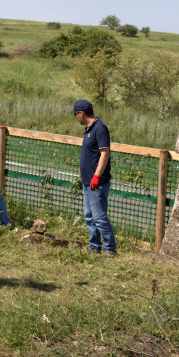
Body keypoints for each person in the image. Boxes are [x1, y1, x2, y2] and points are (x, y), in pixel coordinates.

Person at [71, 99, 117, 257]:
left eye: (76, 114)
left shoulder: (100, 128)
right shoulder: (88, 129)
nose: (76, 118)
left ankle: (110, 248)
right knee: (89, 215)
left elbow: (105, 153)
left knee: (99, 216)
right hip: (87, 181)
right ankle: (94, 245)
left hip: (96, 182)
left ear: (81, 113)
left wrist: (96, 176)